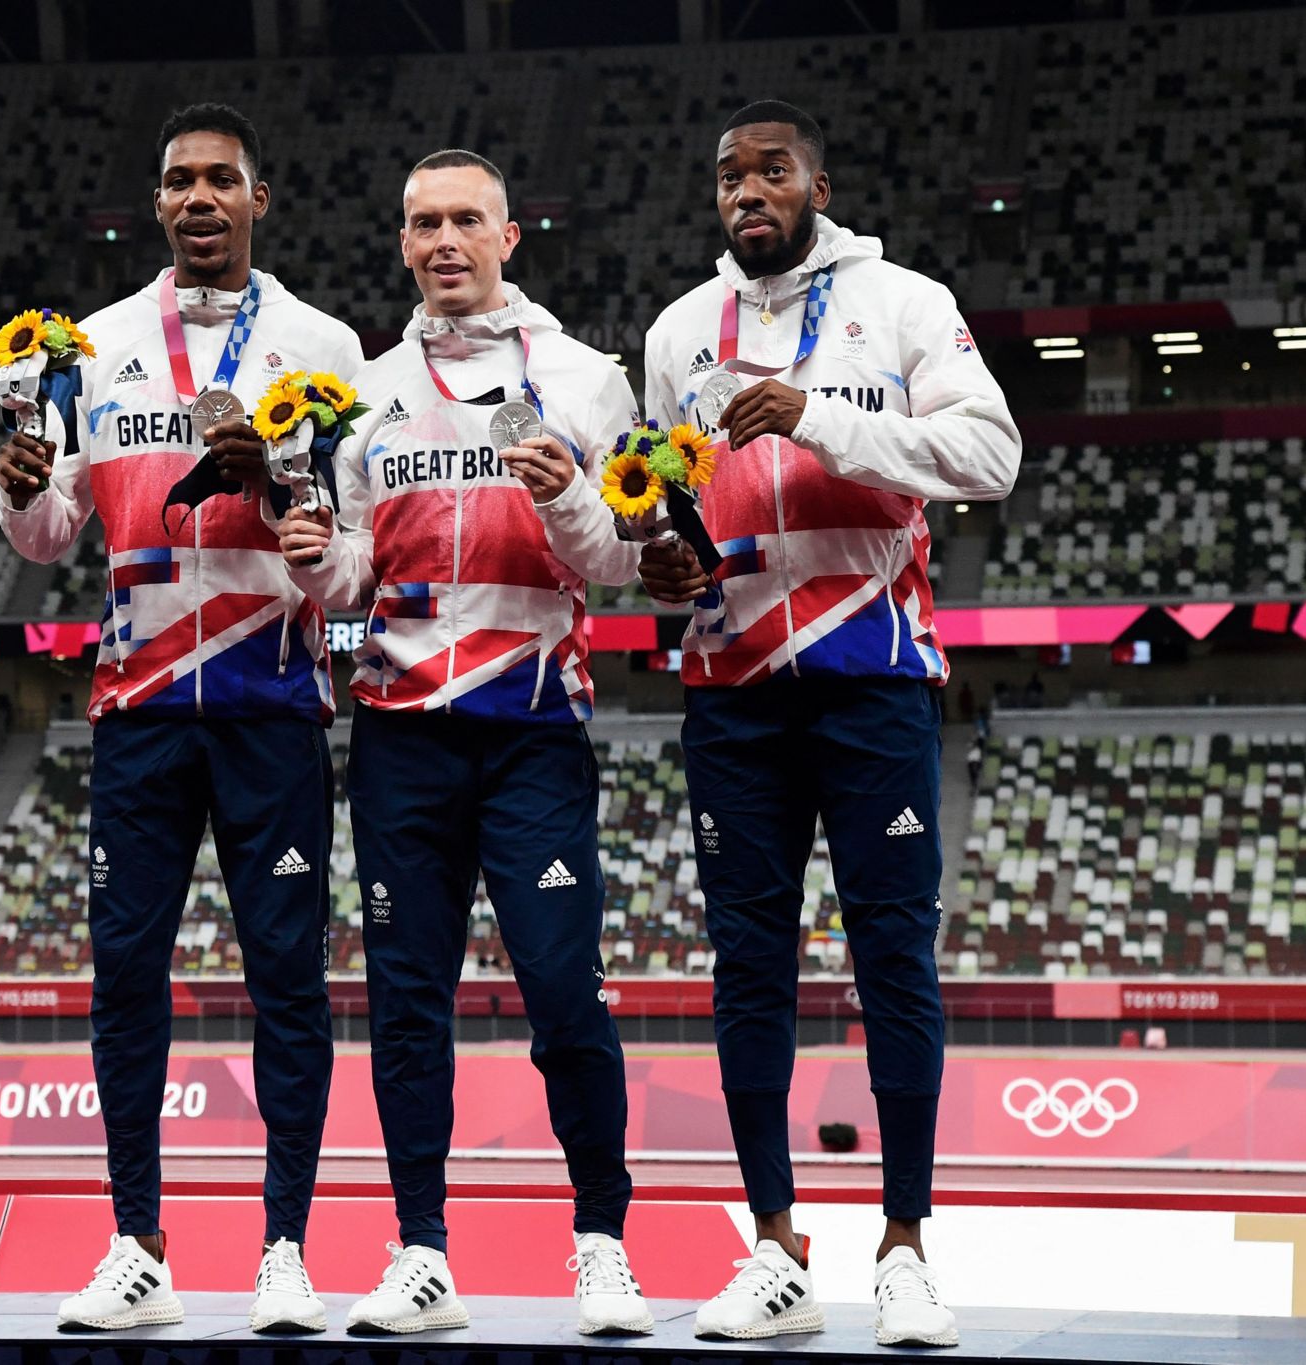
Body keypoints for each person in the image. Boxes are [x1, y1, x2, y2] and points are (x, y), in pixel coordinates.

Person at [636, 101, 1020, 1348]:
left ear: (815, 180)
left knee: (890, 956)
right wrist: (657, 562)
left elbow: (988, 454)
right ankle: (773, 1247)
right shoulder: (677, 331)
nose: (747, 190)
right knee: (746, 968)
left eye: (770, 170)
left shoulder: (902, 302)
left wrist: (816, 419)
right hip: (730, 692)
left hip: (870, 680)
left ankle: (904, 1245)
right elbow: (663, 498)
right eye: (727, 175)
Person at [0, 103, 363, 1334]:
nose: (199, 200)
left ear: (262, 199)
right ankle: (135, 1241)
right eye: (178, 183)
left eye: (221, 181)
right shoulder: (92, 347)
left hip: (273, 701)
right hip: (139, 706)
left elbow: (346, 547)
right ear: (156, 205)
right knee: (123, 980)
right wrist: (23, 487)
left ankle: (286, 1251)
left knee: (286, 984)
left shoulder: (323, 343)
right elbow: (50, 541)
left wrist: (295, 518)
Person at [277, 149, 652, 1338]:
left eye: (466, 221)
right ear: (399, 243)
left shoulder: (588, 381)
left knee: (561, 992)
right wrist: (315, 567)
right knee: (406, 1003)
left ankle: (601, 1246)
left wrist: (565, 503)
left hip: (535, 730)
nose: (444, 241)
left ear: (509, 236)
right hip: (399, 740)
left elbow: (624, 569)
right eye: (423, 223)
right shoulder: (364, 393)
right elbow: (347, 584)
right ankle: (420, 1250)